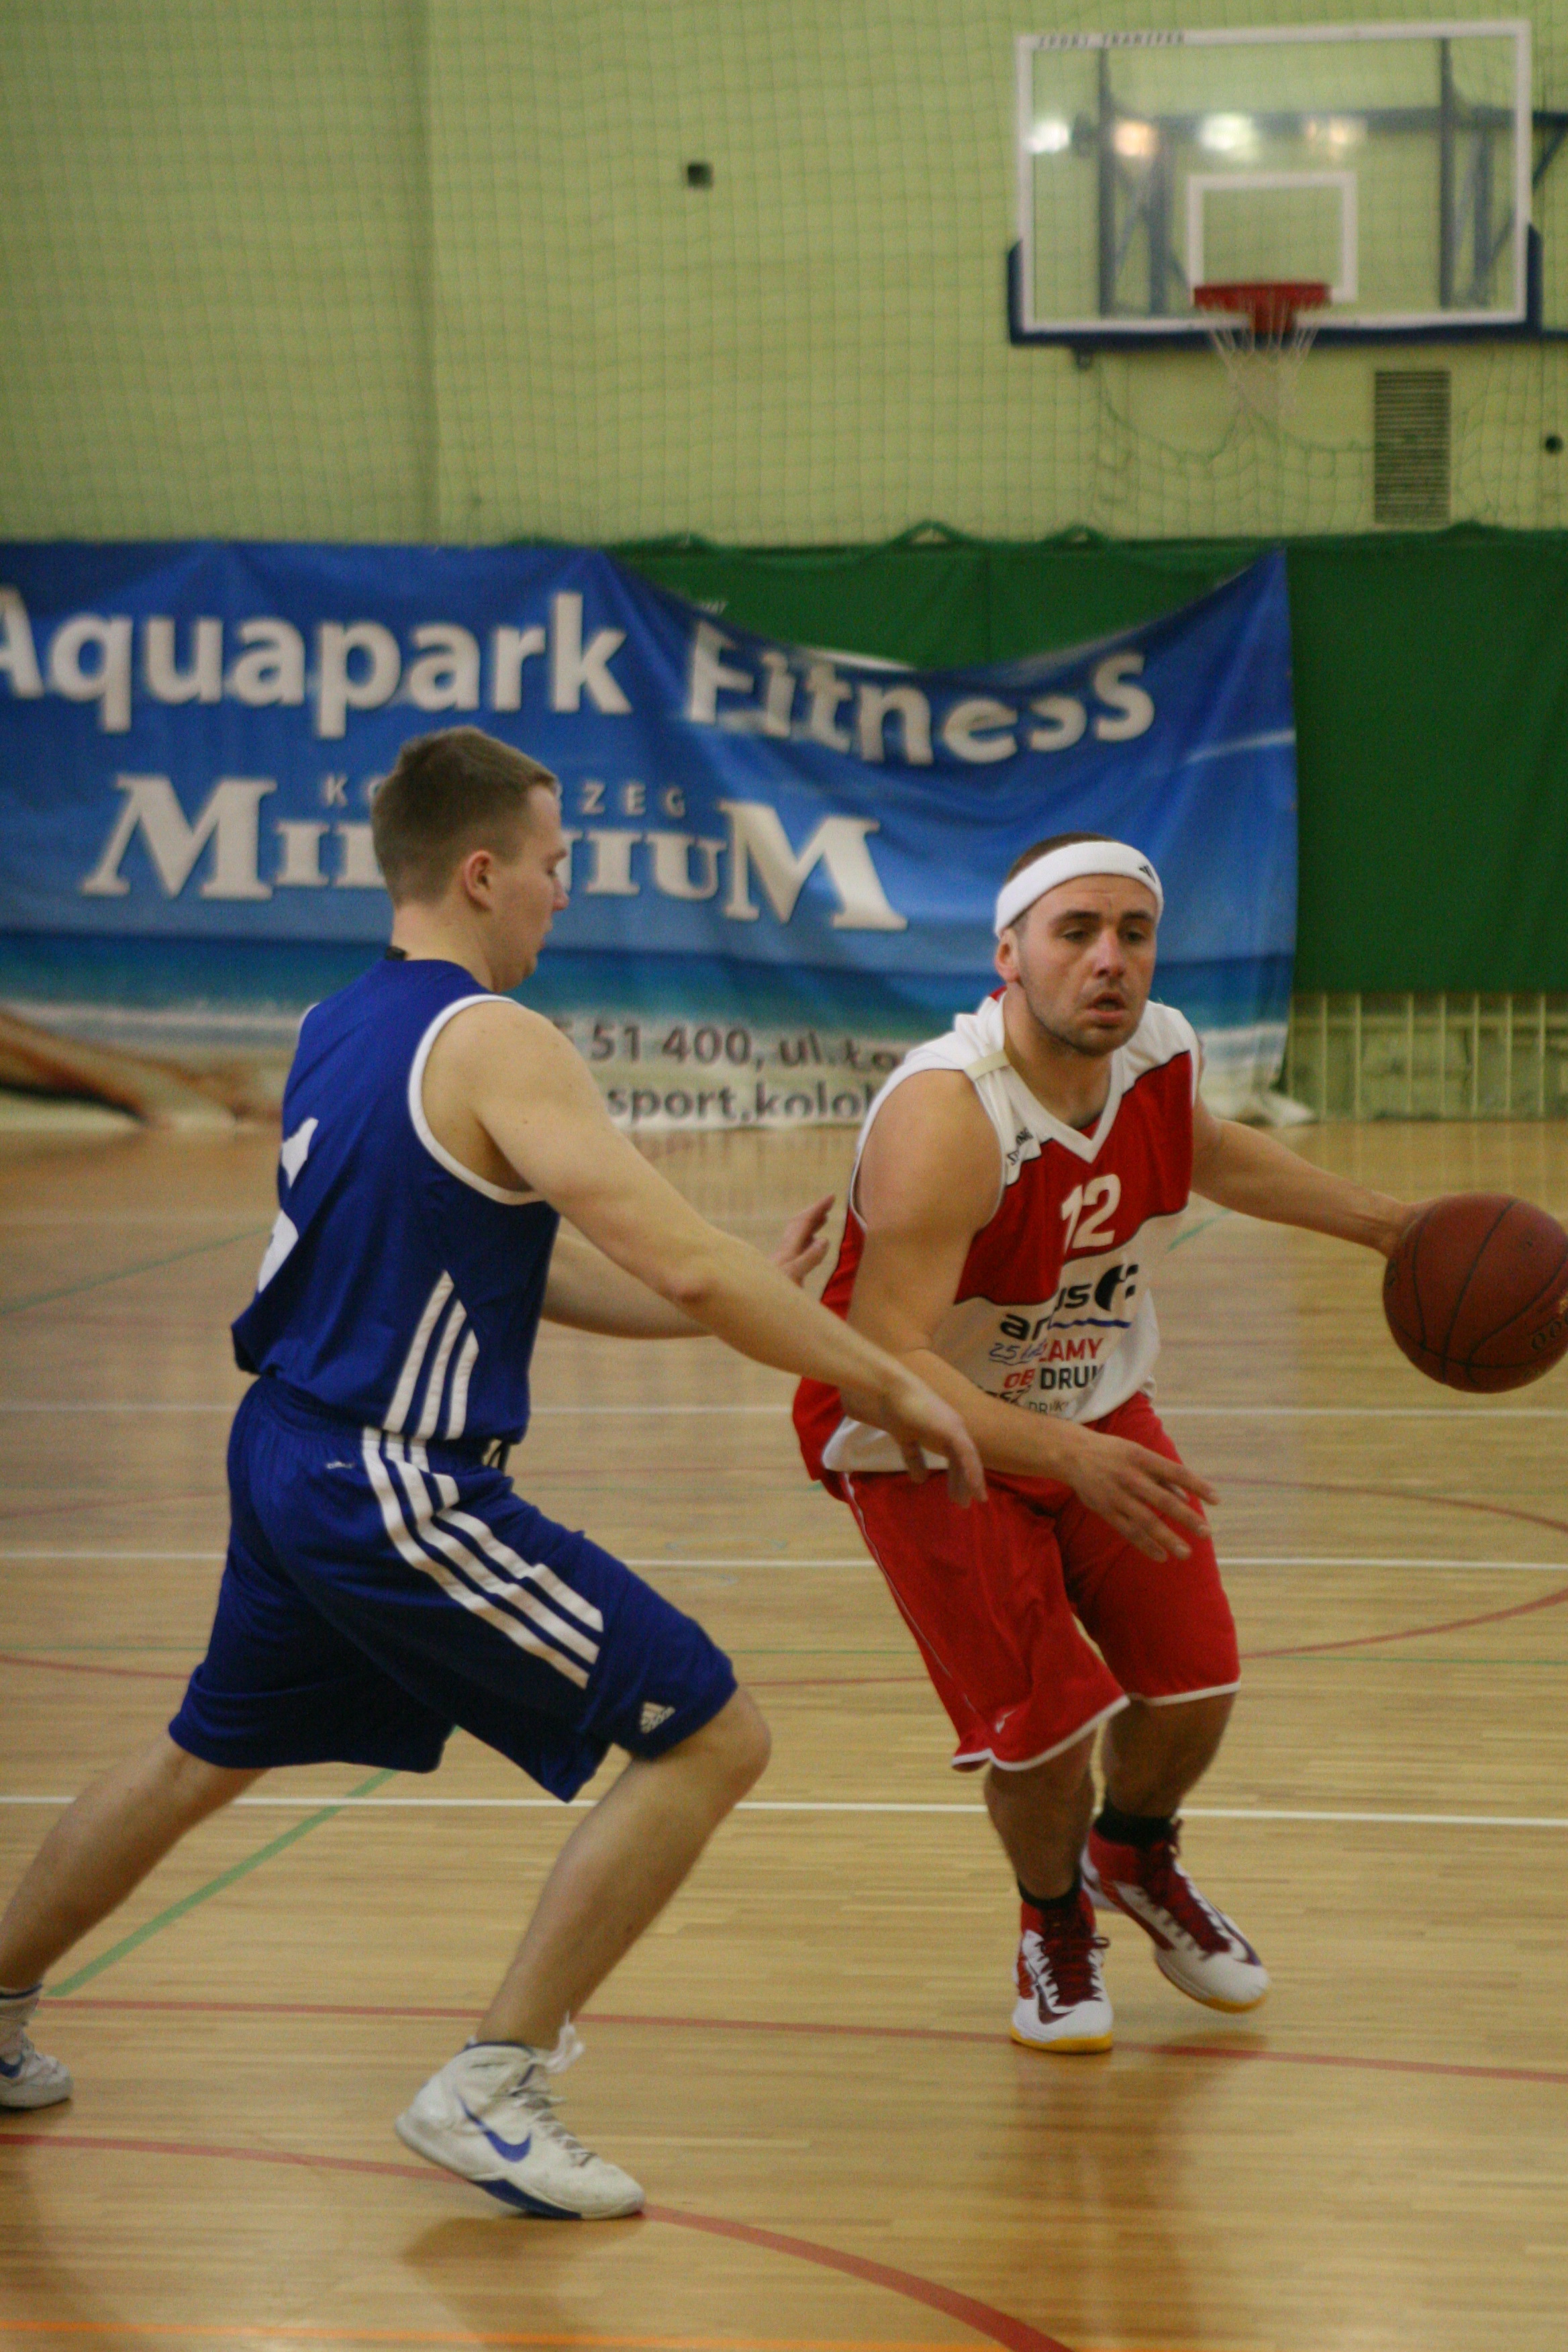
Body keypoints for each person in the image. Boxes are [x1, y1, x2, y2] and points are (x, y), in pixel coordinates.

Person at [0, 726, 983, 2216]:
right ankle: (493, 2083)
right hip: (394, 1485)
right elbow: (687, 1257)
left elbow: (523, 1265)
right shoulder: (496, 1040)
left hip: (289, 1453)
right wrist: (886, 1373)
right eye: (552, 864)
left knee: (203, 1754)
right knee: (711, 1735)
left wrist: (716, 1297)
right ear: (479, 873)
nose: (561, 891)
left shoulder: (339, 1023)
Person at [795, 832, 1412, 2053]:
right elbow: (887, 1358)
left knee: (1196, 1683)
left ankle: (1132, 1853)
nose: (1109, 959)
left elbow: (1209, 1152)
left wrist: (1393, 1225)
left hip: (1087, 1400)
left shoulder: (1160, 1053)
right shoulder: (948, 1113)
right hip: (914, 1433)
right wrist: (1064, 1455)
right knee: (1048, 1724)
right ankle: (1053, 1919)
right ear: (1009, 956)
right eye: (1075, 932)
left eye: (1133, 933)